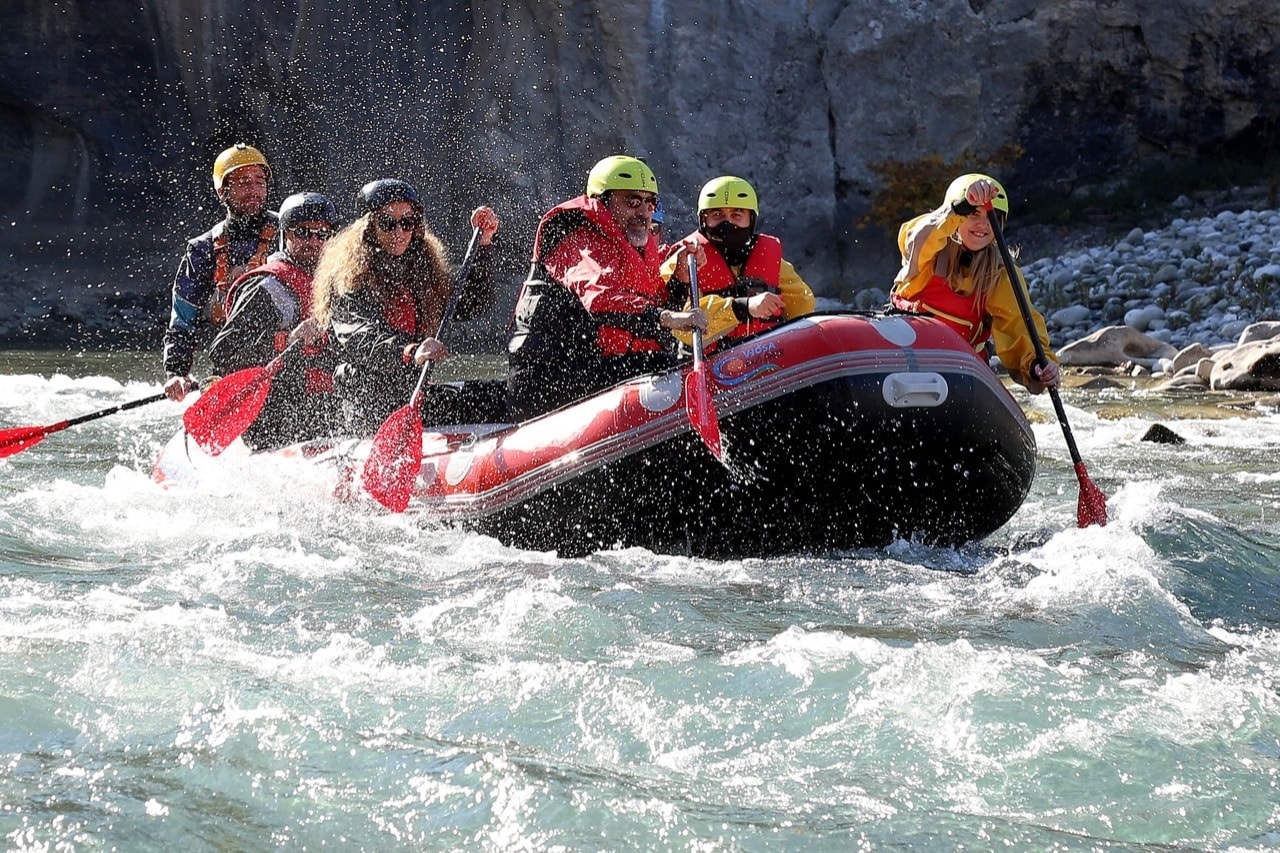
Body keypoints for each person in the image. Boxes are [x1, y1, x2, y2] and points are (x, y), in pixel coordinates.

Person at [506, 154, 706, 419]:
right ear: (603, 203)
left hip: (592, 366)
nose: (643, 212)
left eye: (650, 203)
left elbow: (650, 318)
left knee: (665, 365)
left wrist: (680, 281)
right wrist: (666, 318)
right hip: (546, 381)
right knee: (661, 366)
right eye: (633, 201)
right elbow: (601, 300)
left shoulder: (635, 248)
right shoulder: (578, 240)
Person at [310, 178, 504, 436]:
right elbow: (357, 336)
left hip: (415, 392)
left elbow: (471, 302)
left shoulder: (423, 270)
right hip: (369, 403)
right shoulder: (349, 279)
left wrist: (483, 246)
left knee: (502, 395)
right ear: (369, 227)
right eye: (388, 223)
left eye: (407, 223)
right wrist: (410, 352)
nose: (398, 232)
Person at [890, 173, 1060, 392]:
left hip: (957, 373)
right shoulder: (928, 246)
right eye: (973, 214)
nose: (983, 225)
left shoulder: (1000, 273)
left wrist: (1038, 363)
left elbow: (1019, 326)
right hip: (904, 360)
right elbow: (915, 239)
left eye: (992, 217)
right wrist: (955, 209)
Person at [207, 192, 342, 450]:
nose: (313, 241)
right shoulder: (266, 287)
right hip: (275, 414)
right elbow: (223, 353)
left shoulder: (340, 285)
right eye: (302, 232)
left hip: (326, 402)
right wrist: (286, 340)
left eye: (322, 234)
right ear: (284, 234)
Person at [163, 143, 279, 402]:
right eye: (243, 183)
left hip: (289, 362)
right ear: (222, 191)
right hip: (235, 369)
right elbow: (182, 320)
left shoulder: (292, 233)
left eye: (259, 182)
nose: (253, 190)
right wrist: (176, 371)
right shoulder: (202, 250)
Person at [660, 175, 815, 353]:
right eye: (717, 215)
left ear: (751, 220)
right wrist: (744, 307)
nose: (728, 224)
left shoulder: (774, 263)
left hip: (767, 357)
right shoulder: (684, 260)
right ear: (704, 221)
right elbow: (678, 323)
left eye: (737, 215)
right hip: (712, 364)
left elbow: (804, 307)